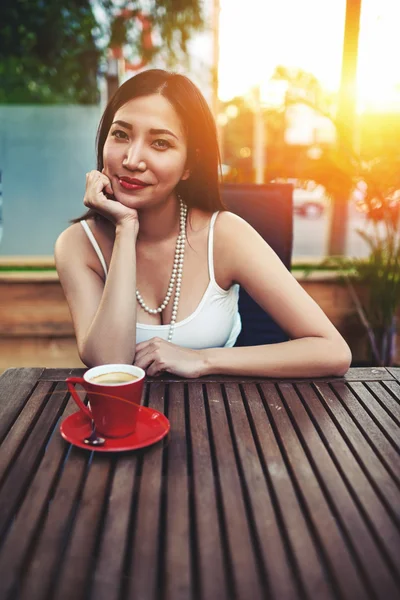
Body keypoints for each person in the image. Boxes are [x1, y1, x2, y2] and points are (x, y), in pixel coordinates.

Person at [55, 69, 352, 378]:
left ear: (189, 166)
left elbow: (332, 350)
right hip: (122, 420)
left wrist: (203, 360)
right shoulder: (77, 246)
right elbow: (109, 365)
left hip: (218, 415)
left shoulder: (225, 235)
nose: (132, 159)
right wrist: (126, 228)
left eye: (160, 143)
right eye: (121, 134)